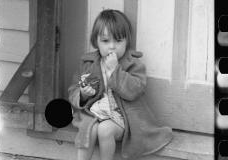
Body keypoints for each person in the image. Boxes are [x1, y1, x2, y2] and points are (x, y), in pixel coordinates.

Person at [68, 9, 172, 160]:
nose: (112, 46)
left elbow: (134, 90)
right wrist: (83, 94)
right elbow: (73, 89)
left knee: (105, 130)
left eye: (118, 41)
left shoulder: (133, 64)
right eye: (105, 41)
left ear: (127, 41)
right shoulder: (88, 63)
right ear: (95, 41)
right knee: (88, 129)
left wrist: (115, 70)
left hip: (122, 118)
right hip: (94, 112)